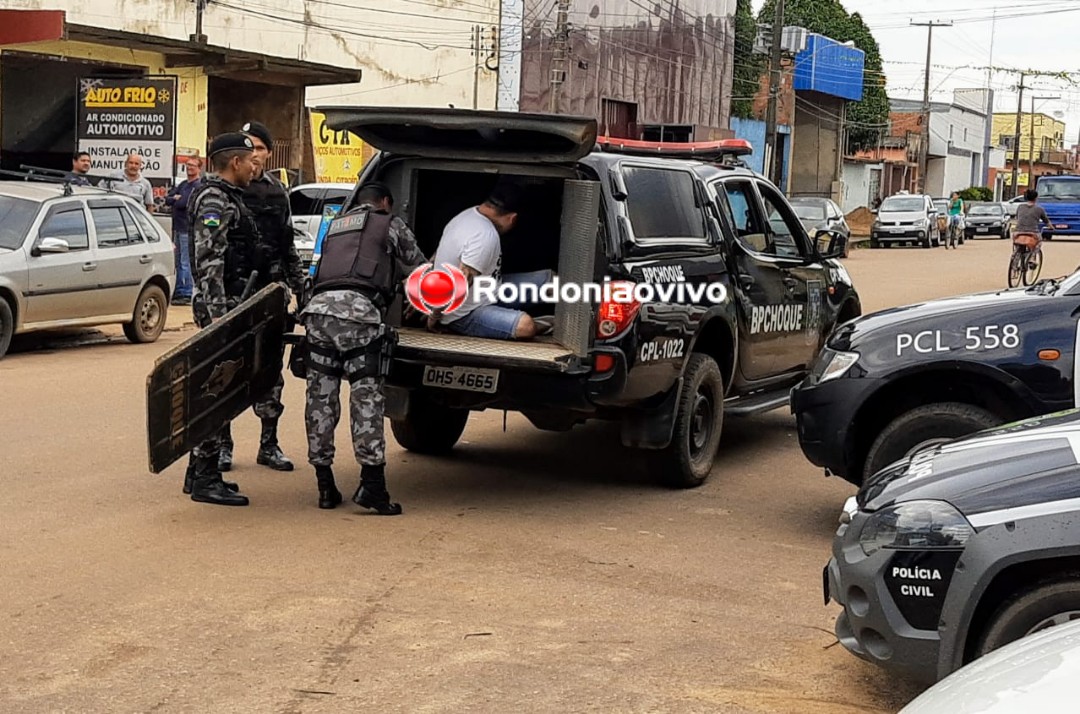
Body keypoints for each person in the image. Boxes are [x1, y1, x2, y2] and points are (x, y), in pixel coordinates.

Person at [302, 182, 427, 514]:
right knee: (366, 396)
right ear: (385, 202)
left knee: (320, 396)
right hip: (359, 316)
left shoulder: (335, 227)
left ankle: (325, 486)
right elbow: (420, 270)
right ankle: (372, 486)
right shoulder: (390, 223)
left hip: (317, 312)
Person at [211, 120, 306, 474]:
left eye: (259, 149)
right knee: (225, 372)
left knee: (269, 370)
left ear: (266, 153)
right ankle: (223, 446)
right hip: (233, 294)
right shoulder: (222, 192)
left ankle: (269, 444)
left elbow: (287, 245)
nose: (253, 156)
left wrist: (300, 290)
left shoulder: (277, 192)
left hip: (269, 293)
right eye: (247, 149)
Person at [182, 132, 260, 506]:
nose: (253, 166)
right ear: (234, 163)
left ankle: (199, 471)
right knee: (217, 390)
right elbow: (208, 264)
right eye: (249, 160)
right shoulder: (214, 199)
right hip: (221, 307)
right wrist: (218, 319)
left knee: (220, 387)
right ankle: (206, 476)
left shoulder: (228, 197)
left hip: (231, 303)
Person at [429, 183, 553, 340]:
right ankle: (546, 324)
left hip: (489, 291)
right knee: (525, 327)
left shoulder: (466, 215)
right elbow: (459, 284)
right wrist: (435, 316)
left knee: (551, 281)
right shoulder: (484, 236)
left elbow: (437, 255)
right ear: (512, 218)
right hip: (464, 313)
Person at [164, 157, 203, 306]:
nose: (189, 168)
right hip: (178, 227)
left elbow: (184, 203)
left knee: (185, 262)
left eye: (193, 166)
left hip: (187, 229)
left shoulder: (197, 186)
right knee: (178, 261)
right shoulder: (183, 184)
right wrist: (174, 198)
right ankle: (179, 290)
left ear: (199, 168)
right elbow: (167, 199)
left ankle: (186, 292)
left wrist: (175, 199)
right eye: (188, 165)